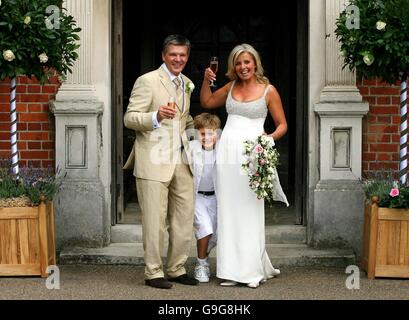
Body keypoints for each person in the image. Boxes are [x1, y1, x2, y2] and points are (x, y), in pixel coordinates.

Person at [200, 43, 289, 288]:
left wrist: (267, 140)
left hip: (252, 157)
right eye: (238, 63)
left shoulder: (268, 90)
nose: (242, 67)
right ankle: (230, 271)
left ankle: (251, 271)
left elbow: (282, 125)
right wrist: (207, 80)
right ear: (234, 66)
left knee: (249, 211)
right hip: (227, 156)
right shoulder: (230, 87)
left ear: (255, 63)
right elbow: (207, 101)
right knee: (228, 212)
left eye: (247, 62)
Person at [123, 34, 198, 289]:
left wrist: (198, 138)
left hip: (182, 160)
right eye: (173, 54)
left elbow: (185, 120)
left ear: (187, 57)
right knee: (155, 221)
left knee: (183, 218)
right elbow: (130, 118)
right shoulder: (147, 81)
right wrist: (155, 116)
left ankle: (176, 268)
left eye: (182, 55)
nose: (178, 59)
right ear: (164, 56)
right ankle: (153, 271)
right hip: (153, 159)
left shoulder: (187, 83)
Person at [189, 113, 221, 283]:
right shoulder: (191, 148)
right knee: (205, 228)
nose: (207, 137)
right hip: (198, 197)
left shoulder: (222, 149)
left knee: (214, 234)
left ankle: (204, 260)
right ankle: (201, 265)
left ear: (217, 133)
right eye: (203, 134)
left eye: (211, 133)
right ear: (197, 133)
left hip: (216, 197)